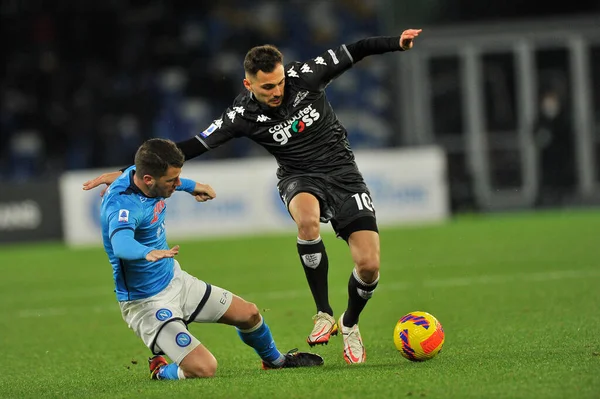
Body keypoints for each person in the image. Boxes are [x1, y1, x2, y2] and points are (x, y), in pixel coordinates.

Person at [84, 29, 422, 365]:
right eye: (267, 87)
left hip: (345, 175)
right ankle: (323, 312)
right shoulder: (241, 116)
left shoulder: (306, 76)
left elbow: (357, 48)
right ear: (249, 85)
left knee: (369, 265)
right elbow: (189, 147)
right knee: (307, 221)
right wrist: (131, 171)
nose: (277, 91)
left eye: (279, 83)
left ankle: (348, 323)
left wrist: (397, 43)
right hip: (299, 177)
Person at [100, 138, 323, 380]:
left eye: (178, 178)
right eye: (171, 181)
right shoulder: (122, 205)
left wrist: (191, 185)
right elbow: (121, 244)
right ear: (148, 180)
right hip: (146, 302)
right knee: (204, 369)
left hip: (175, 280)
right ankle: (160, 370)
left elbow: (160, 179)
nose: (176, 184)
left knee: (249, 314)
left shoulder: (141, 172)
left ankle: (276, 361)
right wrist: (146, 252)